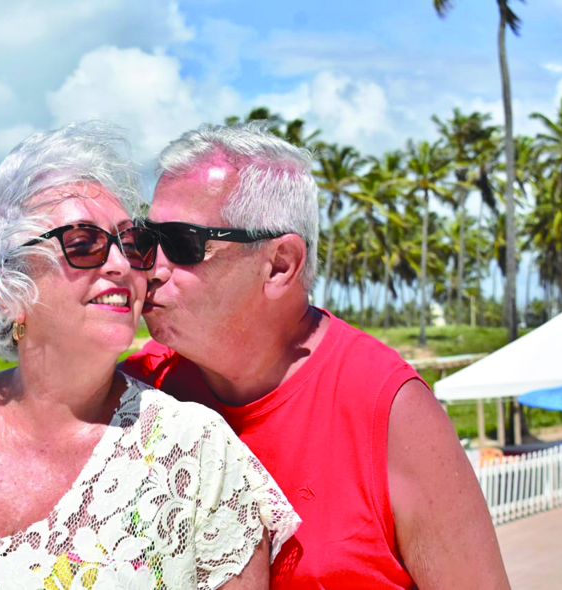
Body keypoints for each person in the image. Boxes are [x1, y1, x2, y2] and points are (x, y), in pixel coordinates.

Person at [0, 121, 300, 589]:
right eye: (83, 244)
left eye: (132, 244)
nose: (123, 265)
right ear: (5, 288)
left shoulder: (194, 452)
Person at [123, 123, 510, 589]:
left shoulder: (388, 411)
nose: (149, 268)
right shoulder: (139, 393)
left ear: (280, 264)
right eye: (146, 240)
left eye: (183, 243)